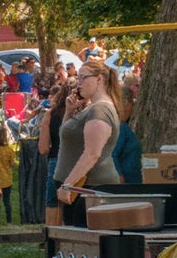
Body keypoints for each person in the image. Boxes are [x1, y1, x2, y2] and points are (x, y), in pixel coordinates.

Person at [55, 58, 123, 226]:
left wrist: (68, 185)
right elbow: (66, 136)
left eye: (82, 78)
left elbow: (92, 153)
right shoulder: (91, 107)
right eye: (77, 78)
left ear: (99, 79)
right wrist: (70, 112)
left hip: (89, 188)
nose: (78, 83)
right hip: (79, 188)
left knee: (85, 243)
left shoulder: (100, 110)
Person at [38, 81, 78, 225]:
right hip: (78, 161)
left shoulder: (50, 114)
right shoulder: (84, 113)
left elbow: (43, 148)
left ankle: (51, 237)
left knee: (52, 200)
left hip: (56, 159)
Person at [112, 82, 142, 185]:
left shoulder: (121, 125)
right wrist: (119, 177)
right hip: (126, 182)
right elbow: (113, 154)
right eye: (132, 102)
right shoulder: (119, 127)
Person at [0, 121, 16, 224]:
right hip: (7, 180)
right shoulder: (9, 150)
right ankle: (9, 221)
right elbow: (12, 164)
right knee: (7, 202)